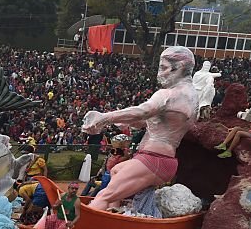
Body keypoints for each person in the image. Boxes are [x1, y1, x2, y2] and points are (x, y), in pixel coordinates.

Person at [81, 46, 198, 211]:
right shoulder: (193, 99)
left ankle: (82, 223)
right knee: (116, 171)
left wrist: (104, 117)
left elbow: (144, 111)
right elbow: (151, 122)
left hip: (154, 159)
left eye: (163, 68)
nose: (160, 73)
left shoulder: (169, 95)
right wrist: (126, 122)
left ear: (177, 68)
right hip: (162, 160)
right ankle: (112, 213)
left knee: (104, 195)